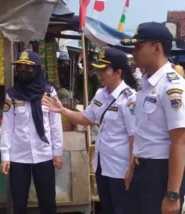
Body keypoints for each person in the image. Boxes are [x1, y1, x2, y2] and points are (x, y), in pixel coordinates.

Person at [44, 47, 138, 214]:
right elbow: (87, 118)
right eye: (98, 69)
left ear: (118, 72)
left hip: (120, 168)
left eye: (104, 69)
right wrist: (62, 110)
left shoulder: (129, 98)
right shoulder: (101, 94)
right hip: (102, 165)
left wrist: (131, 169)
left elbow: (134, 137)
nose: (99, 73)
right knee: (107, 208)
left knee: (121, 209)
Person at [121, 22, 185, 214]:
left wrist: (172, 194)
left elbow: (179, 141)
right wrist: (132, 168)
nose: (134, 52)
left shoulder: (172, 87)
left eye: (138, 46)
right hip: (142, 169)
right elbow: (143, 133)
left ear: (157, 48)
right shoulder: (147, 84)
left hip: (161, 173)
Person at [0, 50, 63, 214]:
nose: (23, 71)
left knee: (48, 202)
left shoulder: (48, 92)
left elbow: (55, 124)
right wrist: (5, 156)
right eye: (19, 68)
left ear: (37, 69)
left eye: (28, 68)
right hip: (19, 157)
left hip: (45, 155)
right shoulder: (12, 94)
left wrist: (57, 152)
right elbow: (7, 127)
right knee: (19, 203)